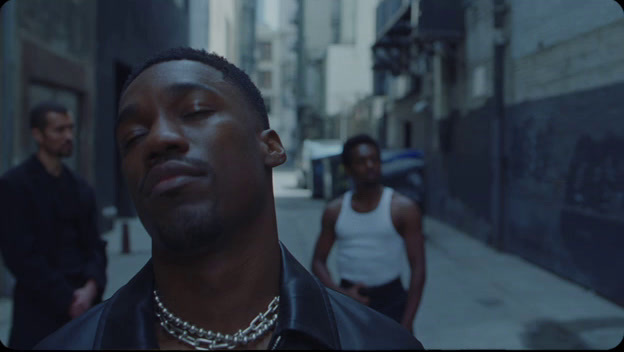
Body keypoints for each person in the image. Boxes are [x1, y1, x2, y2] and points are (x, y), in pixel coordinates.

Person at [34, 47, 424, 350]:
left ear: (270, 146)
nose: (157, 139)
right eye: (133, 136)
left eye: (195, 110)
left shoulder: (379, 342)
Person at [0, 102, 108, 349]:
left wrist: (90, 288)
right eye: (59, 130)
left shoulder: (80, 187)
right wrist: (67, 299)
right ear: (38, 135)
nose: (68, 136)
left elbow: (95, 245)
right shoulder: (15, 185)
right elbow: (19, 256)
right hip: (39, 310)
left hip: (84, 306)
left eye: (70, 128)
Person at [311, 134, 426, 334]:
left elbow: (418, 268)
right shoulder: (335, 211)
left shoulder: (403, 208)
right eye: (361, 161)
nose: (370, 165)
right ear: (348, 169)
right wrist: (341, 294)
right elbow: (318, 262)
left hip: (392, 300)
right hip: (349, 297)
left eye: (374, 159)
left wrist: (407, 322)